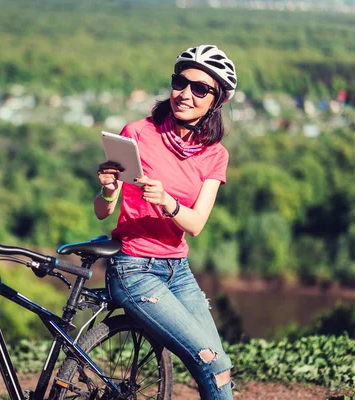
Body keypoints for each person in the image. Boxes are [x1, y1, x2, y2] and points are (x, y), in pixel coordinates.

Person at [95, 44, 237, 399]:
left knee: (220, 365)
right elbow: (102, 210)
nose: (185, 94)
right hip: (134, 269)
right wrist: (110, 190)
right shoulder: (138, 133)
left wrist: (168, 202)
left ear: (215, 101)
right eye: (180, 82)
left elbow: (196, 223)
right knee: (210, 362)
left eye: (200, 88)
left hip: (178, 271)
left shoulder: (215, 155)